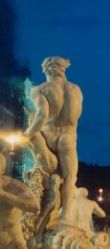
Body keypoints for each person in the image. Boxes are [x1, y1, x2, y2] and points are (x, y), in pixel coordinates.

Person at [24, 56, 83, 225]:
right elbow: (75, 117)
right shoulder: (76, 90)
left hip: (47, 137)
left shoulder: (40, 89)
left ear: (47, 70)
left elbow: (42, 116)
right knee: (70, 177)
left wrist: (26, 135)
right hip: (68, 137)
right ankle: (65, 218)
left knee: (42, 175)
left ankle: (37, 216)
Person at [0, 150, 48, 249]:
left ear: (2, 169)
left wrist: (4, 195)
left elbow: (35, 206)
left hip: (11, 245)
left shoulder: (13, 186)